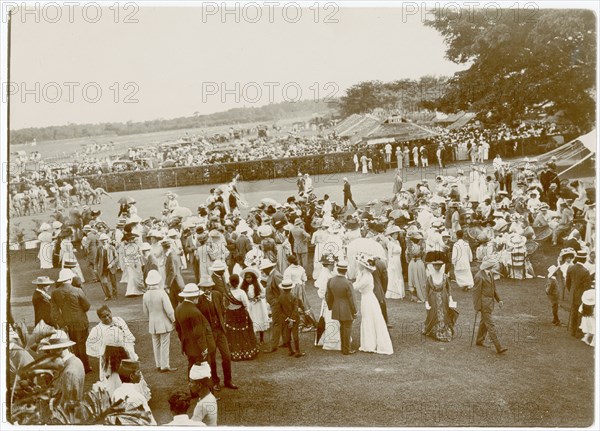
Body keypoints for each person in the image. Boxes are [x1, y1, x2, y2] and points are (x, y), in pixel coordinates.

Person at [197, 278, 238, 390]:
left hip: (220, 331)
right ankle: (215, 381)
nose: (207, 290)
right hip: (209, 334)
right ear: (201, 288)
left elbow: (222, 310)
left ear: (212, 287)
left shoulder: (217, 295)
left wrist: (221, 323)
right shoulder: (199, 300)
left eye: (209, 287)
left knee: (227, 356)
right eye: (204, 288)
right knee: (212, 358)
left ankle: (228, 380)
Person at [50, 268, 92, 373]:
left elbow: (54, 312)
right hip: (80, 321)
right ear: (70, 279)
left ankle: (76, 365)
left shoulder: (55, 293)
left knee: (72, 345)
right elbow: (87, 306)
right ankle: (84, 367)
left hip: (67, 322)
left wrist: (62, 323)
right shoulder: (77, 290)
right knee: (82, 345)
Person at [353, 253, 393, 354]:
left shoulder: (367, 276)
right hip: (366, 299)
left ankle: (370, 344)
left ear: (363, 265)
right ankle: (369, 342)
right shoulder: (363, 274)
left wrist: (349, 283)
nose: (358, 265)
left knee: (369, 319)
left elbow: (356, 287)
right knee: (367, 319)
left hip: (369, 299)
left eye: (359, 264)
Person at [142, 270, 177, 372]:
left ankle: (158, 364)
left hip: (153, 323)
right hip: (164, 323)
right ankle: (164, 365)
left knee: (156, 344)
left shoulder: (145, 295)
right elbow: (169, 310)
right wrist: (173, 320)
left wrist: (151, 319)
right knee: (164, 344)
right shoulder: (162, 293)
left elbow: (145, 311)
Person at [86, 305, 137, 376]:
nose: (107, 318)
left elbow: (127, 334)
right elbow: (90, 344)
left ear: (110, 312)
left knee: (129, 373)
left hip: (124, 352)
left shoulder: (119, 320)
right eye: (104, 317)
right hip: (110, 356)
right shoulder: (97, 329)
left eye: (108, 315)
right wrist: (102, 351)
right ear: (100, 318)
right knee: (113, 375)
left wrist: (129, 349)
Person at [39, 331, 85, 405]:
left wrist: (46, 400)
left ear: (59, 349)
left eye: (51, 350)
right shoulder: (74, 360)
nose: (50, 353)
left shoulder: (69, 372)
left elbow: (67, 404)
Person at [175, 283, 214, 371]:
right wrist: (204, 348)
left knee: (191, 366)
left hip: (187, 344)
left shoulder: (178, 309)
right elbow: (198, 332)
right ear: (194, 297)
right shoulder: (195, 312)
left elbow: (178, 329)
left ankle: (191, 383)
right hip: (197, 346)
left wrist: (183, 342)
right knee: (202, 369)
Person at [473, 258, 507, 354]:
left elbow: (494, 289)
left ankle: (479, 340)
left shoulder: (490, 273)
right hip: (484, 305)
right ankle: (498, 346)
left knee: (484, 322)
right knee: (490, 324)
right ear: (489, 266)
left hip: (490, 303)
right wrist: (477, 307)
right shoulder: (479, 276)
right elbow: (476, 293)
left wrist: (499, 300)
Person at [224, 274, 259, 360]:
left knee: (233, 333)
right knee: (244, 333)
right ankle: (247, 352)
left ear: (230, 283)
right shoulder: (241, 292)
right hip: (241, 314)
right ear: (238, 282)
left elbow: (225, 305)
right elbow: (246, 304)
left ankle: (235, 352)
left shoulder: (227, 293)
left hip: (230, 315)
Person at [325, 260, 357, 355]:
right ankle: (346, 349)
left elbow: (328, 296)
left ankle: (344, 347)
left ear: (337, 269)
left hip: (336, 307)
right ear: (346, 271)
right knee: (347, 328)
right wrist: (355, 311)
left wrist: (331, 306)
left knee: (343, 328)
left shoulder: (331, 280)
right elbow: (352, 300)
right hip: (346, 308)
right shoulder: (348, 283)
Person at [423, 258, 458, 342]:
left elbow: (448, 289)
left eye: (439, 265)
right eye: (435, 265)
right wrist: (426, 301)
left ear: (441, 266)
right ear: (433, 266)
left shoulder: (445, 277)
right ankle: (433, 330)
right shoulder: (429, 277)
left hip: (443, 298)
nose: (437, 267)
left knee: (444, 314)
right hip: (433, 299)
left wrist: (450, 298)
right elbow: (426, 291)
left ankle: (444, 330)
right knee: (433, 315)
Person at [112, 360, 156, 425]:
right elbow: (151, 423)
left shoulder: (115, 393)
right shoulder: (139, 397)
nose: (140, 374)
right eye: (138, 372)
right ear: (131, 376)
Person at [315, 254, 340, 350]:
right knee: (328, 319)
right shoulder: (325, 274)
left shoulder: (328, 272)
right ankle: (328, 339)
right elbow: (321, 291)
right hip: (328, 301)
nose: (334, 265)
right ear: (328, 264)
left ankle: (326, 338)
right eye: (332, 264)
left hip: (331, 299)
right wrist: (327, 298)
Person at [566, 250, 592, 338]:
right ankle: (578, 331)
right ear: (584, 260)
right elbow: (587, 287)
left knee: (573, 311)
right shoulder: (585, 271)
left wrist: (571, 291)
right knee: (580, 313)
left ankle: (572, 331)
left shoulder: (570, 268)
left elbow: (568, 283)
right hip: (581, 295)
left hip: (573, 294)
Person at [240, 267, 269, 343]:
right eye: (246, 278)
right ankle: (253, 338)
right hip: (250, 305)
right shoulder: (243, 286)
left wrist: (259, 297)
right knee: (252, 320)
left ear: (253, 278)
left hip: (258, 305)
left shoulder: (257, 284)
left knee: (259, 319)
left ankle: (261, 339)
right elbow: (242, 295)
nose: (248, 279)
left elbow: (263, 293)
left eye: (249, 277)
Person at [261, 259, 284, 353]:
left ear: (268, 268)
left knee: (276, 323)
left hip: (277, 304)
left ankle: (273, 345)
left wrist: (279, 302)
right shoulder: (272, 275)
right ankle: (285, 341)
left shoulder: (276, 275)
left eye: (263, 269)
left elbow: (283, 289)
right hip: (275, 303)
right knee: (279, 323)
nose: (263, 271)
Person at [279, 279, 306, 358]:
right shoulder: (294, 296)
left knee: (287, 334)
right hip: (294, 318)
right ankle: (297, 351)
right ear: (291, 288)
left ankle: (290, 350)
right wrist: (292, 319)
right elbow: (296, 308)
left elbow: (280, 310)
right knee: (295, 334)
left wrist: (287, 318)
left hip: (285, 319)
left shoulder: (280, 297)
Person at [164, 238, 185, 311]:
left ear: (164, 248)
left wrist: (167, 284)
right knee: (176, 303)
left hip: (175, 284)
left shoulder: (171, 256)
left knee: (178, 303)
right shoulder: (174, 254)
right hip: (177, 283)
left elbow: (172, 272)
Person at [96, 233, 118, 301]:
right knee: (104, 282)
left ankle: (115, 295)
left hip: (111, 267)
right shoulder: (99, 248)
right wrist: (95, 268)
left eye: (105, 239)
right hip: (103, 268)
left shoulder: (112, 247)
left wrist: (111, 264)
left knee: (113, 282)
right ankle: (108, 295)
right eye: (102, 240)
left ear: (107, 240)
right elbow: (96, 259)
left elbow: (116, 258)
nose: (104, 241)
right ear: (100, 241)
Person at [385, 226, 405, 300]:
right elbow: (389, 255)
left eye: (397, 234)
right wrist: (391, 264)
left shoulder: (397, 242)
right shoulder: (390, 243)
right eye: (395, 234)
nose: (396, 236)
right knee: (393, 275)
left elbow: (400, 252)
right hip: (393, 260)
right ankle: (393, 292)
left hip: (398, 260)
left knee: (399, 274)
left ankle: (400, 292)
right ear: (392, 235)